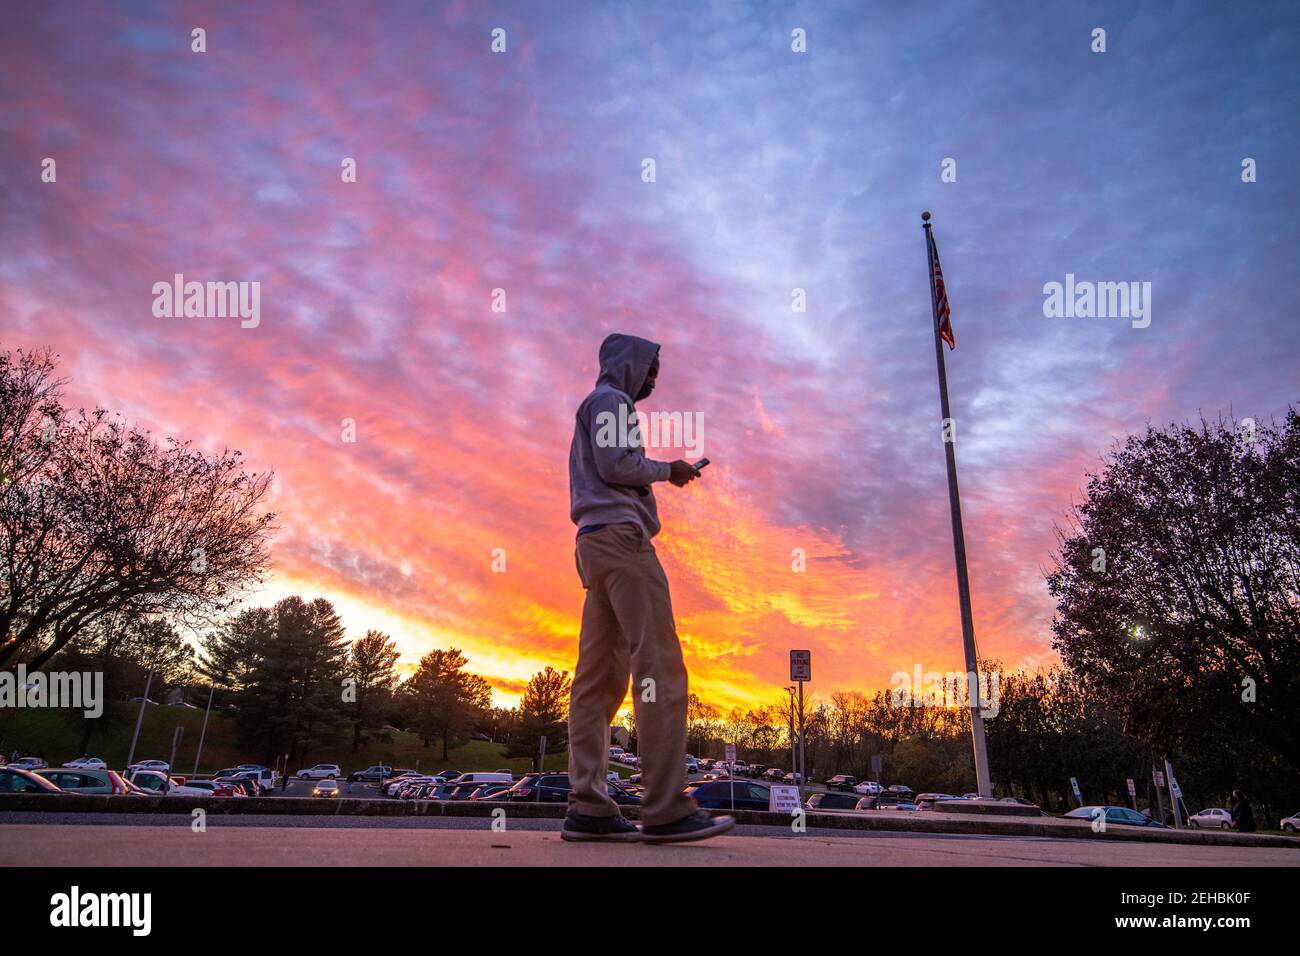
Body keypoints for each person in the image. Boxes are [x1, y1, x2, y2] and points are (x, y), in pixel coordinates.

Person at [562, 333, 734, 844]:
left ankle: (588, 808)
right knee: (659, 665)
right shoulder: (611, 401)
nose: (655, 377)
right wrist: (670, 470)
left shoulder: (596, 405)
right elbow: (618, 465)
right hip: (622, 541)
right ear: (629, 364)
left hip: (593, 545)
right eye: (651, 366)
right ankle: (666, 808)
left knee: (597, 681)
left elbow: (609, 466)